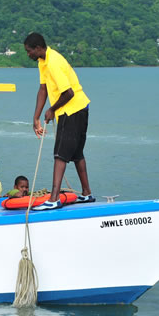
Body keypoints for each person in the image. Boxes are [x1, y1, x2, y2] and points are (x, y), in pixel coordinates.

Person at [25, 32, 94, 210]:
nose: (28, 54)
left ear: (38, 48)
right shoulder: (42, 62)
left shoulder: (53, 62)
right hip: (77, 108)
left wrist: (52, 109)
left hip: (72, 110)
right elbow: (43, 89)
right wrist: (36, 117)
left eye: (29, 51)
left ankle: (54, 199)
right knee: (77, 153)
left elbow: (68, 93)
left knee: (60, 154)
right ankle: (87, 193)